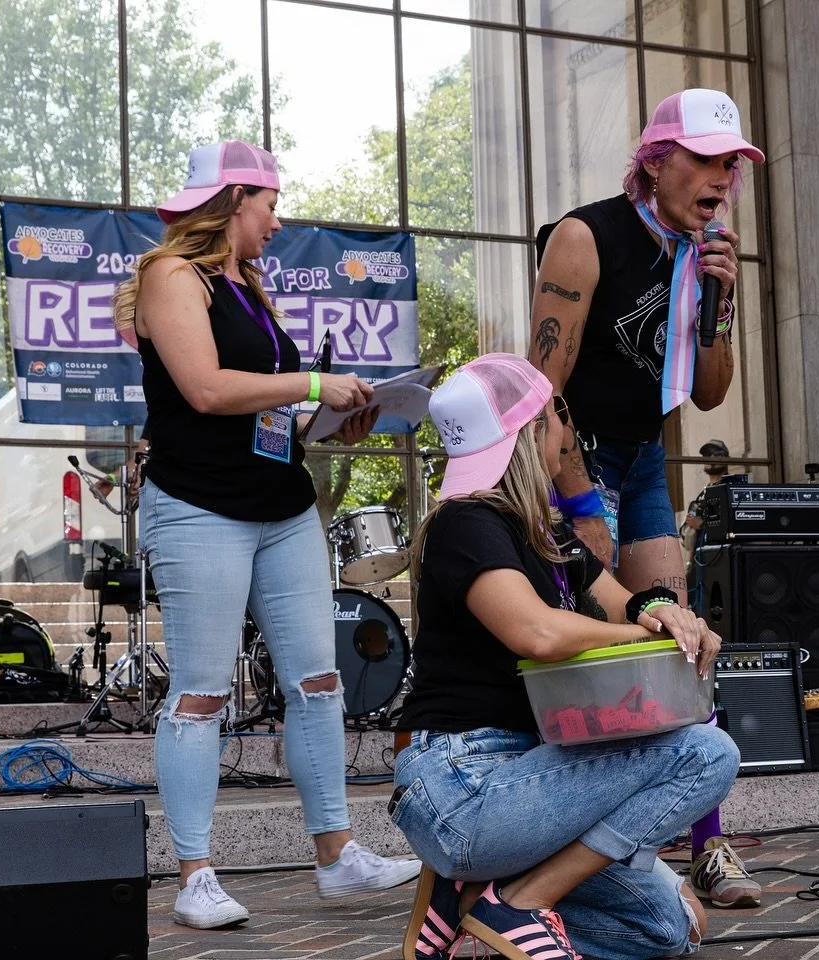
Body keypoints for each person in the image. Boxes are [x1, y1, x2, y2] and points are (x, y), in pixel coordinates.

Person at [113, 140, 420, 929]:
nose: (278, 223)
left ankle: (337, 857)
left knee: (318, 681)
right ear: (233, 202)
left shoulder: (247, 283)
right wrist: (315, 381)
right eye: (271, 205)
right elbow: (209, 390)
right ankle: (194, 876)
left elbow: (265, 410)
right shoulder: (169, 277)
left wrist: (330, 420)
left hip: (281, 507)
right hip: (199, 506)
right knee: (202, 691)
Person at [391, 353, 737, 960]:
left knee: (672, 929)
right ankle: (517, 901)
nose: (568, 432)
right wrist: (653, 639)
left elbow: (627, 603)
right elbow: (539, 634)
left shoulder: (545, 537)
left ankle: (469, 899)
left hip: (533, 779)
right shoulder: (464, 523)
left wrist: (665, 614)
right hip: (463, 785)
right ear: (531, 431)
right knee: (707, 752)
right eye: (558, 413)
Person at [528, 87, 765, 908]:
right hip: (578, 459)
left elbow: (707, 394)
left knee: (678, 638)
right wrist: (580, 505)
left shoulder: (704, 252)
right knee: (597, 648)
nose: (722, 179)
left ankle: (709, 846)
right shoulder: (585, 237)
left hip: (641, 457)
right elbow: (540, 389)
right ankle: (588, 850)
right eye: (705, 159)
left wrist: (721, 305)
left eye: (731, 164)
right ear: (655, 158)